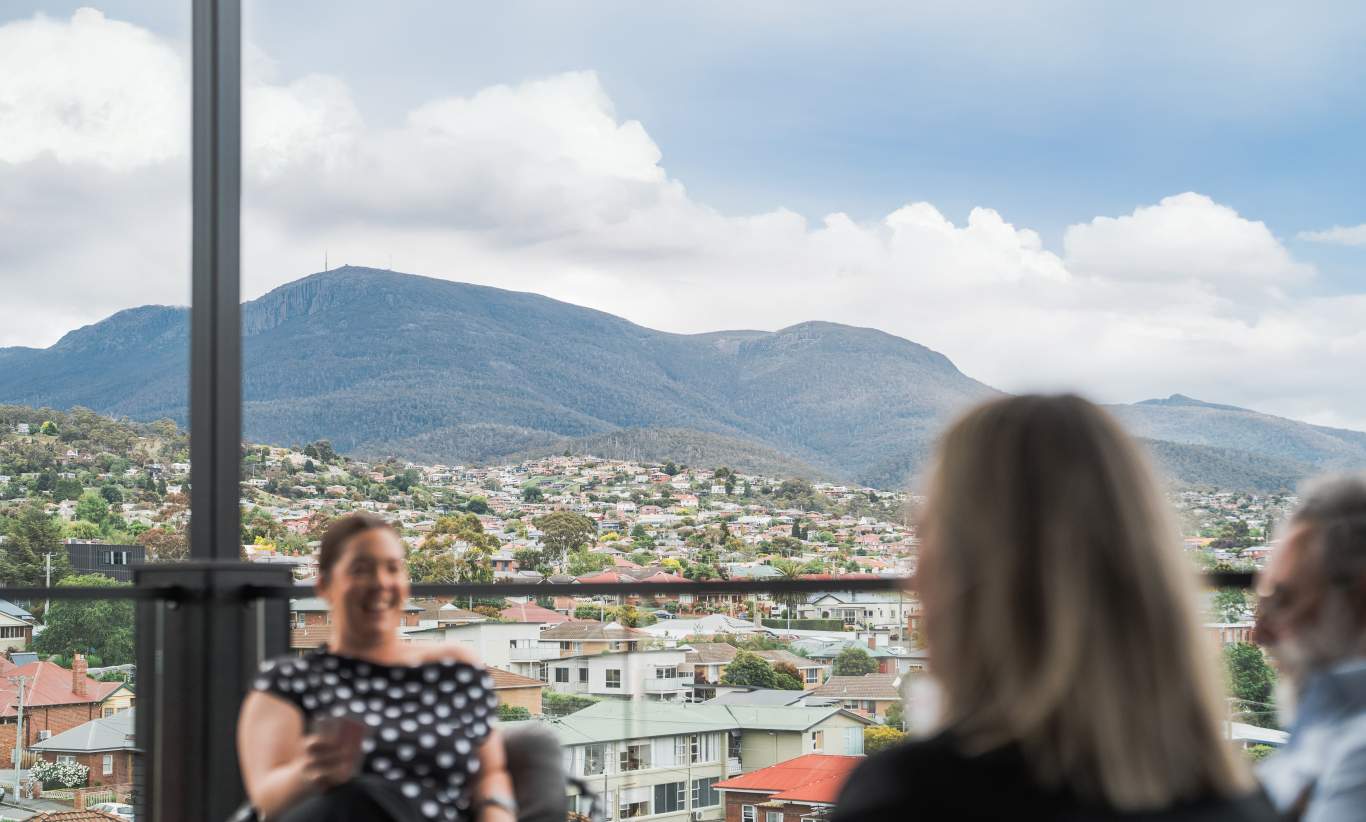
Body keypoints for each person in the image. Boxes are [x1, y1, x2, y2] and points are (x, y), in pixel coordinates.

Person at [833, 394, 1275, 822]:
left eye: (928, 536)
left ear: (974, 579)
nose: (914, 576)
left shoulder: (908, 797)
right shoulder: (1247, 804)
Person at [237, 512, 517, 822]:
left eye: (392, 568)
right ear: (324, 586)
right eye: (361, 570)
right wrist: (310, 771)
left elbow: (491, 773)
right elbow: (267, 803)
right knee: (360, 796)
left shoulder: (456, 668)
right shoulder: (289, 681)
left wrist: (498, 812)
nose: (380, 583)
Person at [1254, 474, 1366, 821]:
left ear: (1360, 597)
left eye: (1283, 599)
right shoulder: (1329, 717)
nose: (1261, 633)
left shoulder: (1358, 754)